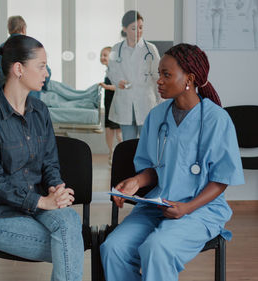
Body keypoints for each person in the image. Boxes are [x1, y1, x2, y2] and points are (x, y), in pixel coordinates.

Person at [100, 43, 245, 281]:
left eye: (167, 75)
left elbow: (222, 179)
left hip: (200, 209)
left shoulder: (217, 119)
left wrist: (186, 208)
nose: (159, 80)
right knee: (113, 248)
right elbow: (155, 169)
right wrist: (135, 182)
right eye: (159, 74)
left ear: (189, 78)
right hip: (158, 204)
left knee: (157, 248)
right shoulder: (157, 116)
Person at [0, 35, 84, 281]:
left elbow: (50, 162)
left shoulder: (40, 111)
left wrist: (56, 188)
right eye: (41, 65)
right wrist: (41, 203)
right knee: (70, 243)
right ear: (19, 69)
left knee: (69, 221)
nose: (47, 72)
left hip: (35, 205)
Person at [107, 10, 161, 141]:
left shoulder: (150, 49)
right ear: (124, 29)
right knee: (128, 144)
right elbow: (111, 71)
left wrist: (161, 101)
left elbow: (158, 76)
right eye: (133, 28)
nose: (138, 31)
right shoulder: (116, 49)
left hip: (146, 103)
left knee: (147, 144)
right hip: (125, 103)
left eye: (141, 27)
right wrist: (118, 81)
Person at [4, 15, 50, 99]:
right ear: (23, 29)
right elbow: (45, 73)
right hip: (30, 97)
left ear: (9, 29)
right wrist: (44, 86)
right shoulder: (32, 47)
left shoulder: (1, 49)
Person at [99, 46, 122, 165]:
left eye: (105, 55)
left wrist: (106, 87)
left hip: (116, 104)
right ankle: (111, 152)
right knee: (108, 129)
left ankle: (123, 153)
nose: (102, 57)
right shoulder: (108, 70)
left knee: (118, 130)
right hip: (108, 103)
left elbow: (120, 87)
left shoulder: (116, 70)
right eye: (101, 55)